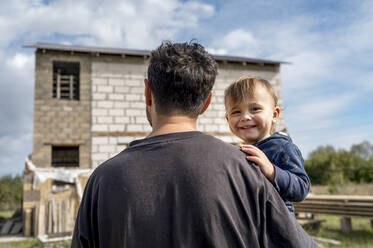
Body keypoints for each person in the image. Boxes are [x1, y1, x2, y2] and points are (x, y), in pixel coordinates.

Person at [71, 42, 316, 247]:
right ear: (206, 103)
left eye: (254, 109)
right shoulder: (247, 167)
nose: (246, 117)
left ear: (148, 93)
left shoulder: (101, 180)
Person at [224, 75, 311, 214]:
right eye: (236, 112)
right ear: (228, 119)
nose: (245, 117)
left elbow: (302, 188)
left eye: (255, 109)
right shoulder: (237, 152)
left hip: (275, 227)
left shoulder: (281, 147)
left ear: (275, 115)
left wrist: (271, 171)